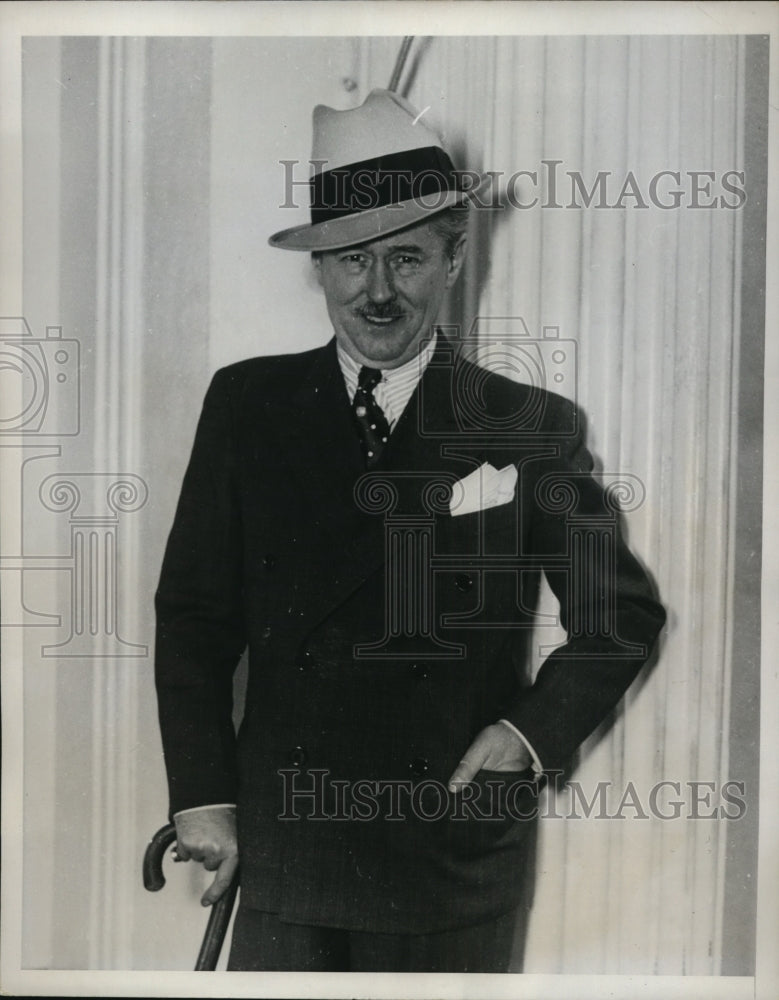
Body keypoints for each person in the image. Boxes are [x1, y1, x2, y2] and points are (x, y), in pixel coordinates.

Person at [154, 88, 666, 972]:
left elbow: (618, 615)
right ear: (318, 267)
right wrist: (203, 796)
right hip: (289, 847)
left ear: (454, 258)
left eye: (406, 258)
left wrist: (531, 733)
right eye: (352, 260)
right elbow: (195, 620)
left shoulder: (524, 423)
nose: (377, 291)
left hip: (447, 854)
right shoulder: (247, 405)